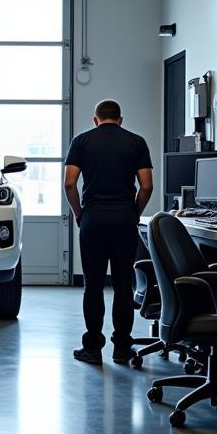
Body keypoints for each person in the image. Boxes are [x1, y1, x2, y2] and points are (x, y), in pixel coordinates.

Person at [63, 99, 154, 366]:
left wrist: (79, 213)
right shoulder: (137, 142)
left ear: (95, 120)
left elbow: (69, 183)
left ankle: (92, 348)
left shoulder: (81, 141)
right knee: (124, 285)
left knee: (93, 285)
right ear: (120, 119)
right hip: (124, 219)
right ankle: (122, 349)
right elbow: (146, 186)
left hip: (92, 220)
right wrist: (134, 213)